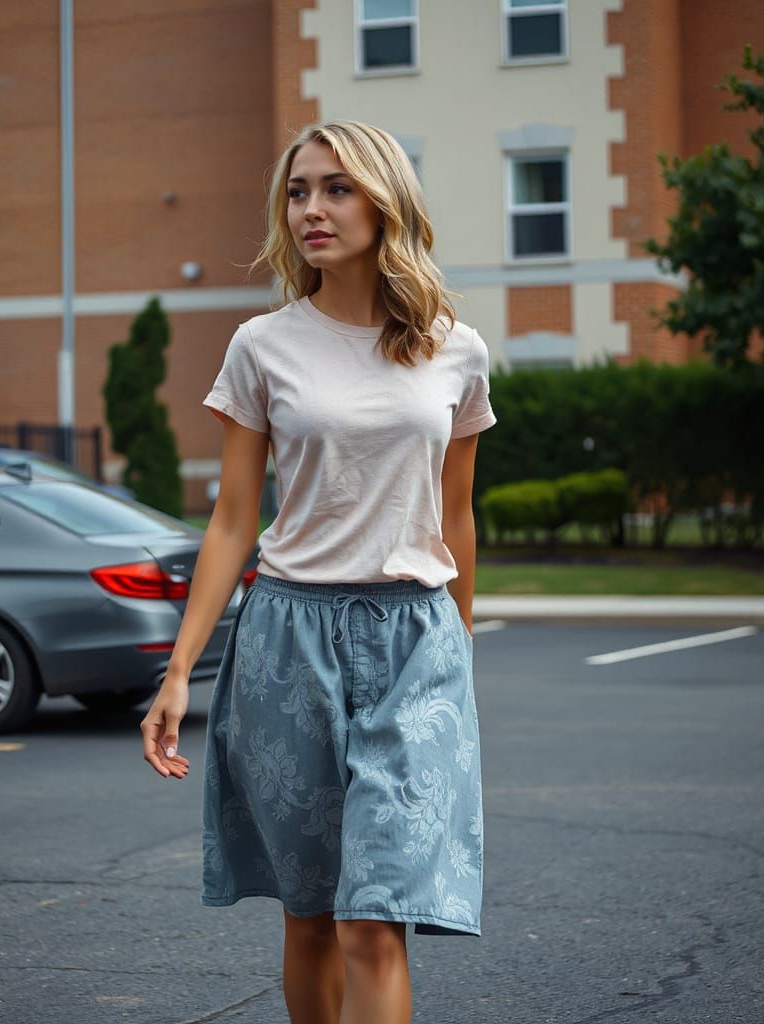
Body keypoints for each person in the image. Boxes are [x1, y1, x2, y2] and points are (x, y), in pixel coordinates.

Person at [141, 119, 498, 1024]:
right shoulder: (262, 346)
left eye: (337, 188)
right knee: (310, 915)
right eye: (299, 191)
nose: (312, 209)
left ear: (385, 201)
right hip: (289, 638)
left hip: (417, 641)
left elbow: (454, 514)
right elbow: (231, 520)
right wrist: (181, 671)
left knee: (378, 920)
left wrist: (459, 641)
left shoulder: (456, 350)